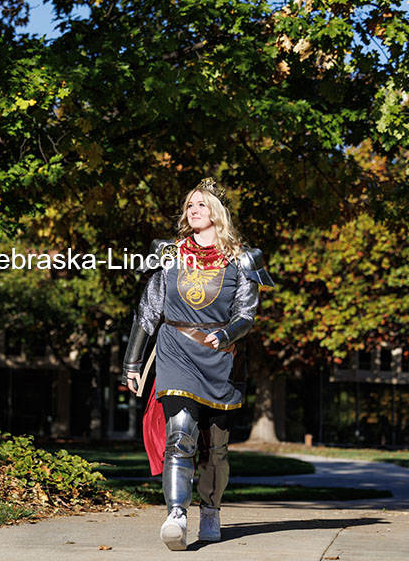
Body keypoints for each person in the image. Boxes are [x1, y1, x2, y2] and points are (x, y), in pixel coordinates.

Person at [122, 177, 274, 550]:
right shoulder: (168, 253)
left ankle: (211, 509)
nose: (193, 210)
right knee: (180, 435)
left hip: (221, 360)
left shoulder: (243, 258)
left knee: (216, 447)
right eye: (190, 205)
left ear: (217, 213)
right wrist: (132, 362)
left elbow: (247, 313)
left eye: (201, 205)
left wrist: (226, 335)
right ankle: (176, 514)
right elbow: (148, 311)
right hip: (175, 352)